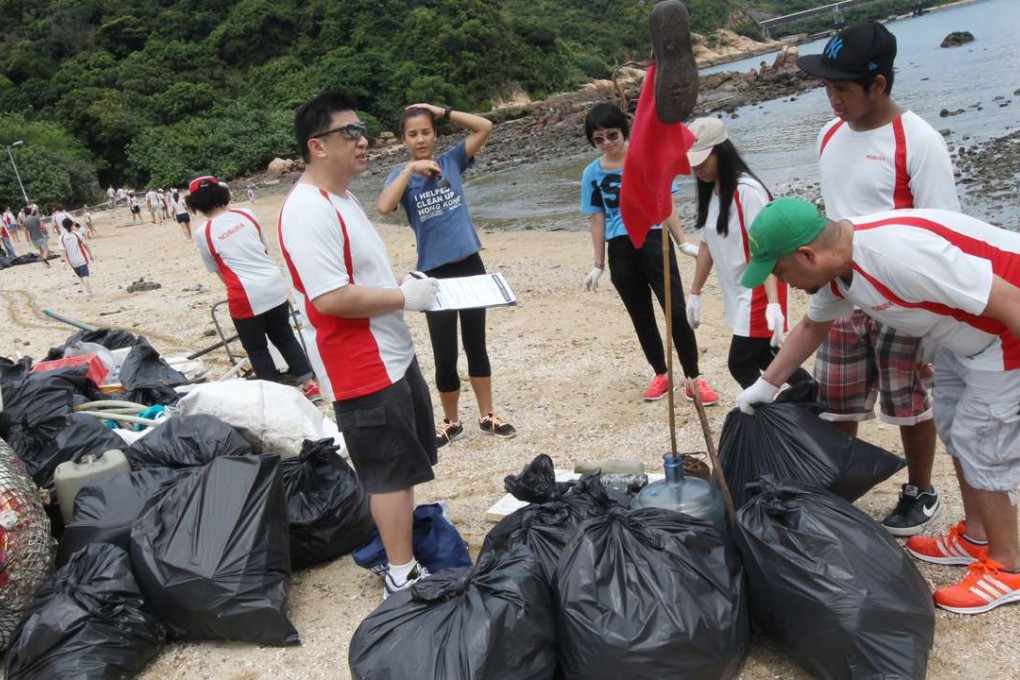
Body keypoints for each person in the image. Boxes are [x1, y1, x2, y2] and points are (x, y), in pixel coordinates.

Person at [737, 197, 1020, 616]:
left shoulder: (896, 256)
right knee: (955, 428)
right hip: (965, 341)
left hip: (1004, 334)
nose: (785, 283)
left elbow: (1009, 299)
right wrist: (766, 384)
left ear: (807, 255)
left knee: (982, 439)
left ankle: (1008, 567)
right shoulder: (837, 274)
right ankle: (975, 537)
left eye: (781, 272)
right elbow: (813, 325)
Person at [797, 21, 960, 536]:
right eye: (827, 88)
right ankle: (842, 485)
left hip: (902, 296)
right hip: (843, 293)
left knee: (908, 400)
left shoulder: (918, 140)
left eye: (843, 88)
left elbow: (944, 233)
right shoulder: (827, 135)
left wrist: (937, 321)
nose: (833, 100)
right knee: (837, 397)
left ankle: (920, 488)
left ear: (879, 85)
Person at [279, 90, 441, 598]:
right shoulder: (306, 211)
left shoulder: (342, 197)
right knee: (387, 471)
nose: (363, 140)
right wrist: (403, 296)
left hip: (388, 349)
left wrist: (401, 288)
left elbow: (355, 274)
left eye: (363, 130)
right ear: (317, 146)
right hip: (359, 363)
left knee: (402, 463)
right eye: (349, 133)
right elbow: (330, 298)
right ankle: (401, 572)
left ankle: (398, 548)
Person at [377, 102, 517, 447]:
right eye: (413, 134)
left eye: (426, 132)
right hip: (433, 275)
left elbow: (484, 126)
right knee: (444, 352)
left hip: (470, 264)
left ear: (435, 134)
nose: (420, 139)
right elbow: (383, 207)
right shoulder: (401, 177)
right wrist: (411, 169)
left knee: (476, 343)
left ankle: (487, 415)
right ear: (404, 140)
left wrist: (441, 110)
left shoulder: (452, 161)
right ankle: (451, 421)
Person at [578, 102, 717, 404]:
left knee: (676, 311)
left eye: (611, 135)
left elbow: (665, 204)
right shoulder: (591, 173)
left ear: (624, 131)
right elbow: (597, 219)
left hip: (654, 240)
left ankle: (694, 377)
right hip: (620, 247)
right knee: (641, 315)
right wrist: (598, 263)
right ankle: (661, 373)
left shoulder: (646, 159)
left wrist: (682, 242)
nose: (606, 143)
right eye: (598, 139)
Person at [684, 117, 811, 389]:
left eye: (703, 162)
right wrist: (695, 293)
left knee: (740, 363)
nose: (697, 170)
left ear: (722, 151)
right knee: (766, 354)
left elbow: (767, 249)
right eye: (692, 164)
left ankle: (774, 418)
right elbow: (707, 245)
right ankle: (810, 395)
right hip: (737, 288)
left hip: (759, 288)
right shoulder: (711, 193)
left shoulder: (747, 192)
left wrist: (775, 304)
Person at [187, 175, 322, 402]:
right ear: (222, 193)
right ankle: (309, 385)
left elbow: (219, 270)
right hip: (274, 285)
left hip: (245, 295)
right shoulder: (246, 214)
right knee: (285, 337)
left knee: (257, 348)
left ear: (196, 204)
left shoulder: (204, 233)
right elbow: (263, 248)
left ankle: (276, 396)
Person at [59, 217, 95, 298]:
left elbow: (62, 250)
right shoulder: (76, 234)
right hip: (81, 258)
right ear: (72, 224)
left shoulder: (62, 237)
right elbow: (85, 244)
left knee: (80, 276)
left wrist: (63, 261)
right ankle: (89, 292)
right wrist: (90, 254)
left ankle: (87, 290)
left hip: (72, 261)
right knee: (85, 275)